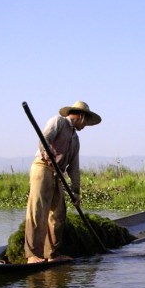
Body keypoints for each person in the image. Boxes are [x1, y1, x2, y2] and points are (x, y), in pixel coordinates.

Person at [24, 101, 102, 264]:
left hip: (57, 173)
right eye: (86, 122)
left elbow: (74, 167)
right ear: (81, 116)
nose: (85, 126)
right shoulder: (58, 121)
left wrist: (76, 191)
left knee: (58, 214)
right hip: (43, 167)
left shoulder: (75, 139)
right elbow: (44, 138)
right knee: (38, 210)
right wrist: (46, 152)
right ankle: (32, 255)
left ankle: (51, 254)